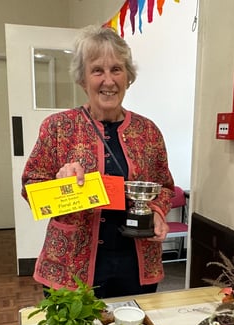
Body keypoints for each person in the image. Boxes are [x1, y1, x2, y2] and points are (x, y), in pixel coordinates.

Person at [21, 25, 175, 298]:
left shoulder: (148, 131)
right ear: (83, 79)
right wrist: (60, 181)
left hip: (136, 264)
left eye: (116, 69)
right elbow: (30, 187)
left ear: (128, 77)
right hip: (70, 265)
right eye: (97, 71)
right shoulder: (57, 127)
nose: (108, 80)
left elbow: (164, 186)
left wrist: (157, 212)